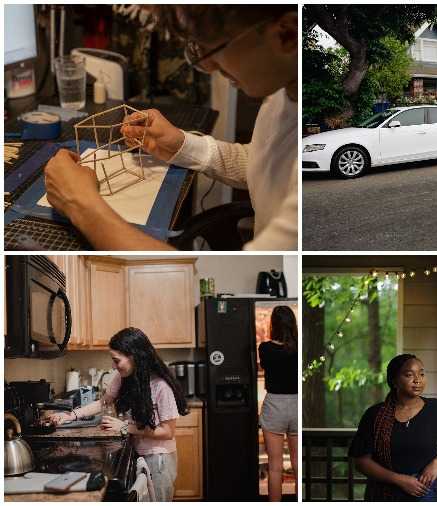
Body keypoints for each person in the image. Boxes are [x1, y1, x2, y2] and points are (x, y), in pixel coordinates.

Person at [43, 5, 298, 251]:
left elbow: (176, 272)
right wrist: (180, 145)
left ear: (287, 34)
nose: (208, 67)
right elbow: (263, 164)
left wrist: (80, 204)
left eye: (214, 46)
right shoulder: (280, 95)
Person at [48, 328, 189, 502]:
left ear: (134, 356)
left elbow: (167, 432)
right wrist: (70, 416)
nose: (113, 366)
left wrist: (124, 427)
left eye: (116, 360)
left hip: (158, 459)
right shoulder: (123, 377)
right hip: (140, 454)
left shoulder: (161, 386)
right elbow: (104, 402)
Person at [349, 354, 437, 500]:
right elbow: (361, 462)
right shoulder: (375, 415)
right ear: (394, 380)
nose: (417, 380)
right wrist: (400, 480)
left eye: (421, 374)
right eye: (409, 375)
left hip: (423, 491)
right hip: (383, 492)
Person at [258, 306, 299, 501]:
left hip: (274, 404)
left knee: (274, 466)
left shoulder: (265, 349)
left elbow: (265, 366)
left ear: (273, 324)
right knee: (298, 464)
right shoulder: (299, 349)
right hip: (297, 404)